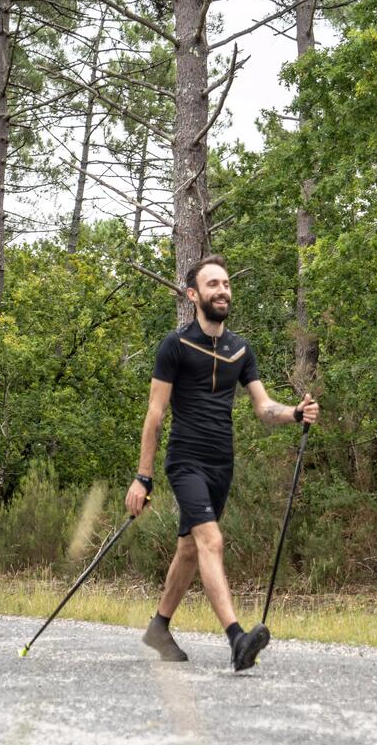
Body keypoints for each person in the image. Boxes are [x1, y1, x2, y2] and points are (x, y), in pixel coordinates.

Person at [125, 253, 319, 671]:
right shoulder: (175, 346)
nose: (223, 291)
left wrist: (296, 413)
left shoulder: (240, 350)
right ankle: (236, 638)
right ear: (194, 294)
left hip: (222, 464)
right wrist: (143, 477)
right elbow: (155, 415)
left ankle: (158, 627)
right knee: (211, 540)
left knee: (190, 550)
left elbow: (264, 407)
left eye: (227, 284)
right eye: (213, 284)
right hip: (186, 460)